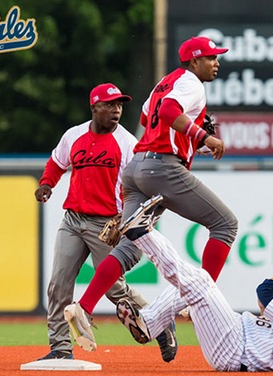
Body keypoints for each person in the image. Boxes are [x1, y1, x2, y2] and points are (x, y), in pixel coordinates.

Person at [64, 36, 238, 347]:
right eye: (211, 57)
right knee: (225, 225)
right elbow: (170, 112)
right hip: (162, 170)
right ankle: (200, 297)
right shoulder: (192, 83)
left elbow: (149, 117)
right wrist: (202, 136)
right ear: (194, 61)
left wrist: (192, 140)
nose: (216, 62)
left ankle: (84, 307)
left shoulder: (164, 83)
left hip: (136, 170)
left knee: (131, 247)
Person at [114, 195, 273, 372]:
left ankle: (141, 234)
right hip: (237, 339)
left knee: (198, 283)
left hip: (235, 348)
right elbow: (265, 310)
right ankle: (150, 323)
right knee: (194, 286)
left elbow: (265, 291)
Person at [33, 83, 177, 362]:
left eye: (120, 105)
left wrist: (128, 221)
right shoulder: (74, 135)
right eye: (110, 105)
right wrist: (46, 183)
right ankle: (61, 348)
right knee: (58, 284)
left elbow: (140, 185)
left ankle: (159, 323)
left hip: (107, 225)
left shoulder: (127, 144)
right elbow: (56, 161)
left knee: (114, 289)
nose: (116, 110)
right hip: (73, 220)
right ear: (94, 108)